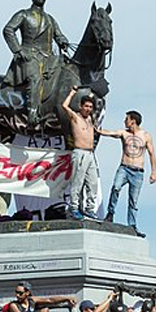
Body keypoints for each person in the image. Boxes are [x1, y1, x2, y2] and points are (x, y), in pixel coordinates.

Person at [101, 110, 156, 234]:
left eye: (126, 119)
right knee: (116, 187)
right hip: (124, 167)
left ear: (133, 121)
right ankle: (110, 213)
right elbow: (111, 133)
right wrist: (99, 130)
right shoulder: (124, 133)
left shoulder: (145, 135)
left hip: (138, 172)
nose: (124, 121)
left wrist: (153, 172)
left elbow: (152, 153)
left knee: (133, 200)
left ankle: (132, 224)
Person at [60, 87, 103, 220]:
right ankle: (74, 208)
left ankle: (89, 208)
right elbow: (64, 105)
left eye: (90, 107)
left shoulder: (90, 119)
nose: (88, 109)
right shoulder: (75, 117)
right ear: (81, 106)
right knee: (77, 182)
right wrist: (72, 92)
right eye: (86, 106)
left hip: (90, 154)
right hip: (79, 153)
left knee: (93, 183)